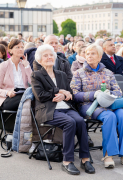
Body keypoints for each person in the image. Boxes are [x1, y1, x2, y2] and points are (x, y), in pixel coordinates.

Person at [70, 44, 123, 168]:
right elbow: (75, 95)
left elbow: (118, 92)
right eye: (87, 53)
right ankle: (108, 154)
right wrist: (93, 95)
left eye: (93, 53)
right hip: (89, 106)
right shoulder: (78, 73)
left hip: (109, 103)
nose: (89, 56)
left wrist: (108, 94)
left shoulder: (108, 72)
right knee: (110, 117)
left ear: (100, 57)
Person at [31, 44, 95, 175]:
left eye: (51, 55)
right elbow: (40, 95)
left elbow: (69, 92)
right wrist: (59, 91)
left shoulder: (61, 74)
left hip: (65, 107)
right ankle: (67, 161)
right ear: (40, 60)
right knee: (69, 122)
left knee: (80, 121)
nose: (49, 57)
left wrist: (65, 94)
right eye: (45, 55)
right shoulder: (36, 75)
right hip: (48, 110)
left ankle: (85, 159)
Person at [0, 39, 31, 111]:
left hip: (24, 93)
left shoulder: (25, 64)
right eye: (17, 47)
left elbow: (32, 82)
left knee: (31, 99)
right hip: (9, 98)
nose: (21, 49)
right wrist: (8, 92)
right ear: (10, 50)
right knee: (29, 100)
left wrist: (27, 66)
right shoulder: (4, 65)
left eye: (22, 47)